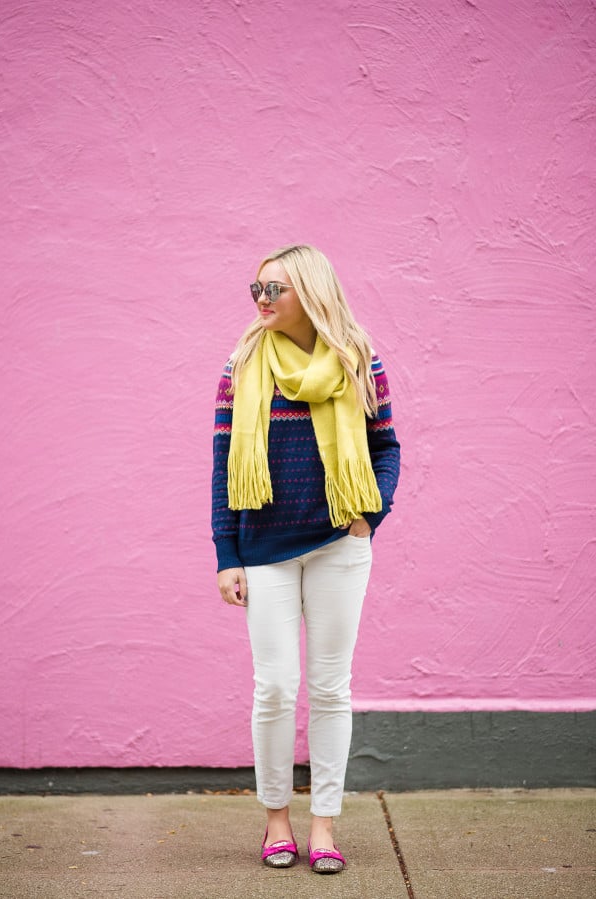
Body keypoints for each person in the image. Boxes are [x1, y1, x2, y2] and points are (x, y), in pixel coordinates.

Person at [211, 244, 400, 874]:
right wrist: (226, 554)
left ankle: (323, 826)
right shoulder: (242, 364)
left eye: (275, 290)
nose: (261, 301)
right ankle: (275, 823)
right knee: (274, 686)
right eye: (256, 289)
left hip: (339, 549)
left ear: (310, 292)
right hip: (263, 549)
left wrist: (369, 517)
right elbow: (221, 466)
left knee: (328, 688)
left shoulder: (357, 359)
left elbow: (386, 446)